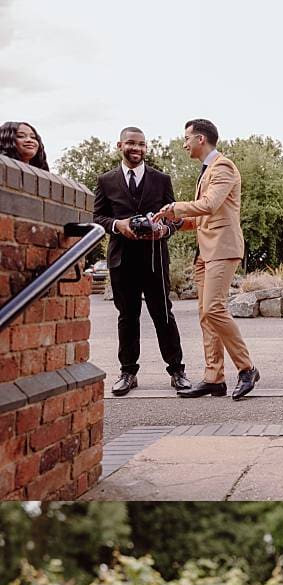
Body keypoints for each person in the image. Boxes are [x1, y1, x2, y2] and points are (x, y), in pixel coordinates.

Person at [156, 119, 259, 401]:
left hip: (222, 249)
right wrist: (175, 223)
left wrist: (173, 208)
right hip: (204, 252)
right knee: (206, 315)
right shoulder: (206, 171)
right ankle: (214, 378)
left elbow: (210, 205)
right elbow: (202, 217)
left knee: (214, 308)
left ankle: (247, 369)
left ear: (200, 139)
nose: (184, 144)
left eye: (186, 138)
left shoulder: (223, 167)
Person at [92, 127, 189, 395]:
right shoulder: (105, 180)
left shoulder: (162, 179)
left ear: (146, 148)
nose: (137, 148)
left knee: (163, 315)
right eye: (131, 143)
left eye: (142, 144)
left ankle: (177, 371)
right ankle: (128, 373)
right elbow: (97, 217)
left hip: (155, 258)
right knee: (127, 317)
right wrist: (118, 225)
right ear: (120, 145)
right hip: (122, 260)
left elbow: (175, 217)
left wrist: (165, 229)